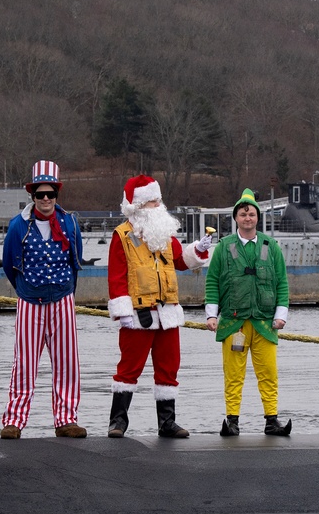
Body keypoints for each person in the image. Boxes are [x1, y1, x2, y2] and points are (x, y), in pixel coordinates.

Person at [106, 175, 213, 438]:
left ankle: (167, 423)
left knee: (169, 367)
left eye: (158, 200)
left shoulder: (164, 233)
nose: (158, 205)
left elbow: (180, 260)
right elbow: (117, 275)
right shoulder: (122, 236)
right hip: (137, 314)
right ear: (138, 206)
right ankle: (118, 422)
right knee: (129, 368)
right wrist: (122, 312)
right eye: (154, 201)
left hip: (168, 313)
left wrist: (198, 250)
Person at [0, 160, 87, 439]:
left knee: (67, 362)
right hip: (29, 301)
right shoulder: (18, 226)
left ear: (57, 196)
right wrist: (25, 290)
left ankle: (66, 419)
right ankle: (14, 420)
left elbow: (76, 261)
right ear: (33, 196)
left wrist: (67, 293)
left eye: (51, 194)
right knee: (24, 363)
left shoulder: (70, 223)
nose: (46, 199)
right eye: (40, 194)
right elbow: (9, 264)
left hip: (62, 299)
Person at [205, 188, 291, 436]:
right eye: (243, 214)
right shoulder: (224, 248)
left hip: (265, 323)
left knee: (269, 374)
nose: (247, 218)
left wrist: (281, 314)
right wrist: (212, 314)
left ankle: (271, 420)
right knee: (233, 375)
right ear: (236, 218)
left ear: (257, 217)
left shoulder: (271, 246)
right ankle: (232, 421)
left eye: (251, 214)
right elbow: (212, 282)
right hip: (234, 323)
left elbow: (281, 283)